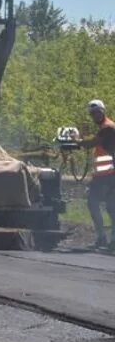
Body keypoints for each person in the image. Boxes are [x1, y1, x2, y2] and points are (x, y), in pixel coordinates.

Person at [76, 99, 115, 248]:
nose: (95, 116)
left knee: (95, 204)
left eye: (97, 112)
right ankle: (107, 240)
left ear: (103, 111)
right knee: (110, 206)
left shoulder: (108, 128)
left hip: (108, 176)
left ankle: (104, 238)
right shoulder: (105, 127)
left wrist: (77, 141)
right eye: (92, 114)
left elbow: (93, 142)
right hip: (105, 175)